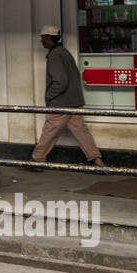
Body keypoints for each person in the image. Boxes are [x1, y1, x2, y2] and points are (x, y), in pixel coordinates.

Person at [31, 25, 106, 169]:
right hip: (75, 101)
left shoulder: (54, 56)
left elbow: (60, 81)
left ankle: (37, 159)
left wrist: (49, 96)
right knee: (81, 132)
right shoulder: (64, 52)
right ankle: (97, 159)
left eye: (43, 38)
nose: (41, 41)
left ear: (48, 38)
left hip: (61, 102)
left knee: (49, 131)